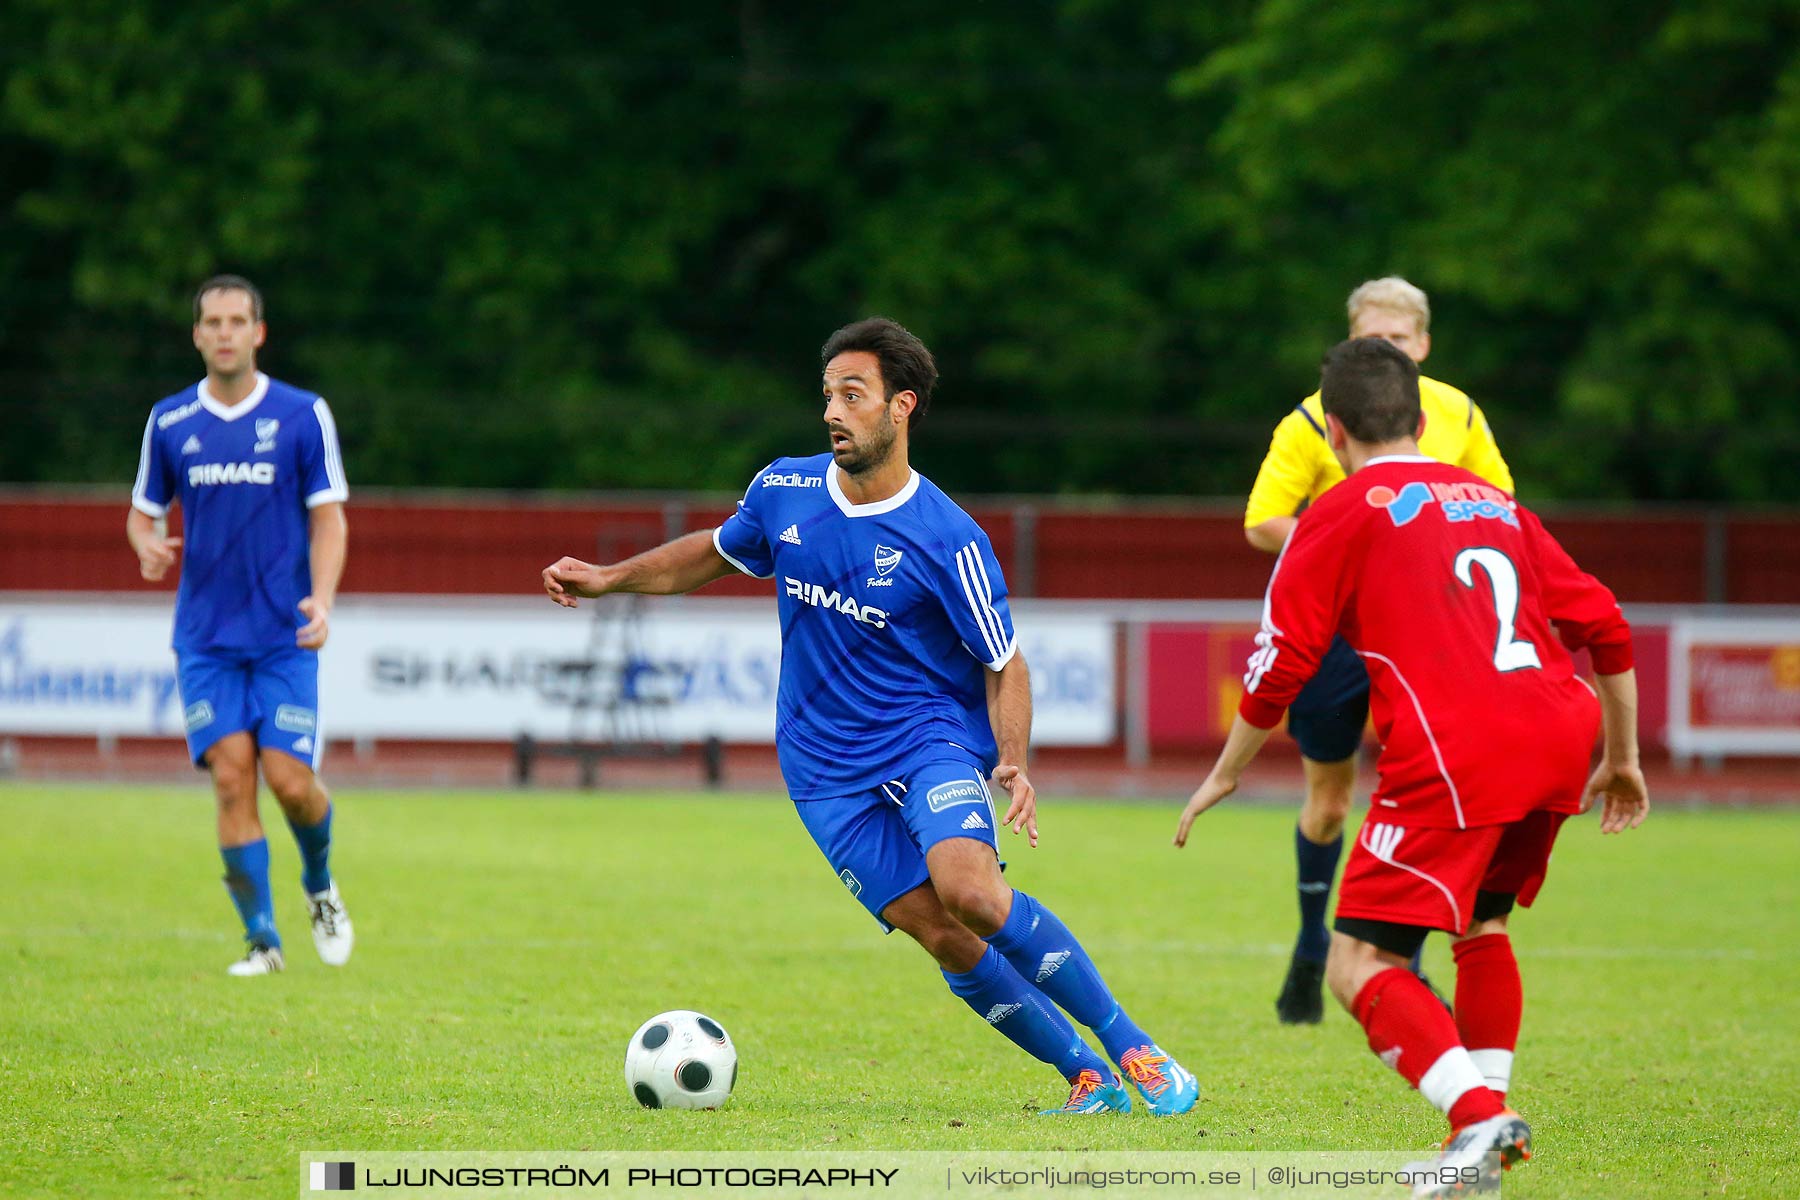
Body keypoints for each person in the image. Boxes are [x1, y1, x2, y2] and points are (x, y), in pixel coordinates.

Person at [543, 317, 1198, 1116]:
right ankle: (1085, 1079)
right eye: (827, 394)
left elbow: (1006, 661)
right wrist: (610, 578)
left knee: (973, 894)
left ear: (901, 408)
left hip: (930, 741)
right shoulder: (783, 490)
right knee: (941, 932)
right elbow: (715, 551)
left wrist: (1013, 759)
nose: (832, 411)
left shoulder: (948, 538)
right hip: (821, 769)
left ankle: (1133, 1046)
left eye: (853, 395)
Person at [1177, 337, 1647, 1194]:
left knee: (1359, 962)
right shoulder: (1496, 503)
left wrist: (1229, 769)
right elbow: (1607, 625)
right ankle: (1481, 1145)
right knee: (1482, 927)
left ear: (1333, 435)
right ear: (1424, 420)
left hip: (1458, 750)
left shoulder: (1337, 512)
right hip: (1556, 733)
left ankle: (1479, 1123)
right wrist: (1623, 758)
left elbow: (1281, 661)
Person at [1243, 277, 1516, 1024]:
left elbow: (1503, 509)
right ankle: (1308, 945)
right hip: (1336, 636)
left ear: (1422, 344)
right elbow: (1262, 520)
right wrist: (1352, 542)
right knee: (1329, 802)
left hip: (1428, 633)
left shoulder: (1457, 412)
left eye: (1397, 339)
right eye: (1371, 339)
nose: (1385, 351)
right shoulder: (1310, 420)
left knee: (1421, 795)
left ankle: (1408, 959)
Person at [128, 275, 354, 977]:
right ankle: (263, 938)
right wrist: (144, 541)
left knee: (290, 781)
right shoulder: (169, 423)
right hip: (205, 640)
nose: (224, 332)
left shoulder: (301, 415)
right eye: (212, 322)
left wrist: (322, 598)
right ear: (197, 335)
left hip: (283, 637)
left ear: (258, 332)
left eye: (237, 321)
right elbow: (143, 511)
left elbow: (329, 516)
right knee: (233, 780)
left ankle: (318, 881)